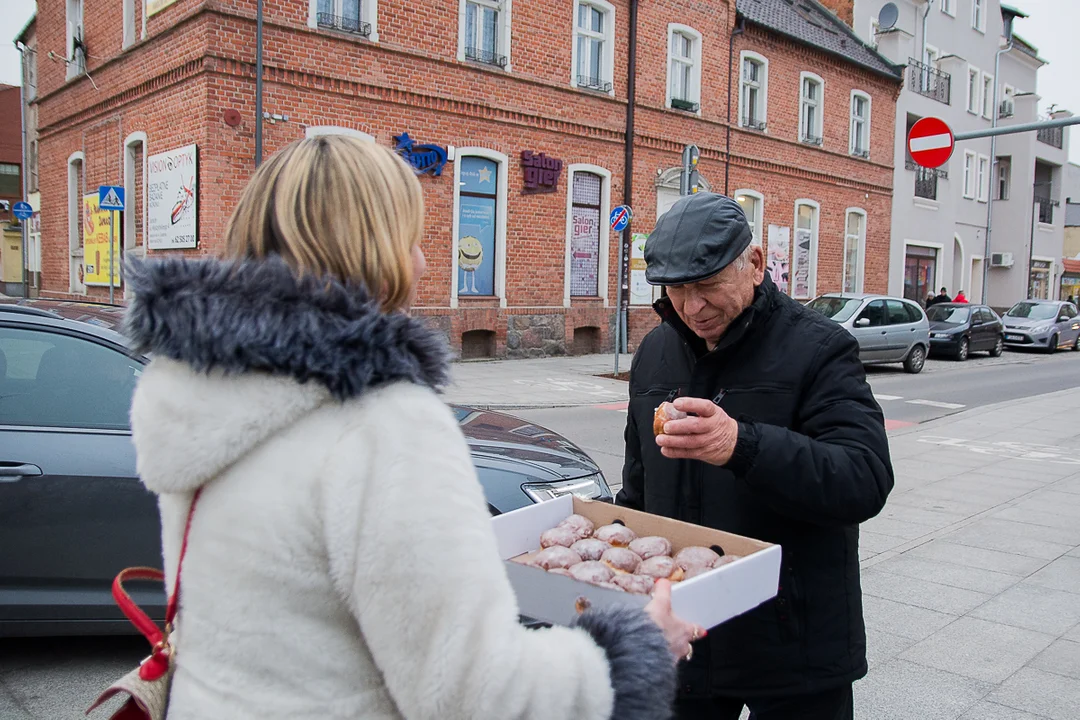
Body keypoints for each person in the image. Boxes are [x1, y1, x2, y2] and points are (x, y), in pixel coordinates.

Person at [123, 136, 699, 720]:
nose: (423, 263)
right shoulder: (382, 424)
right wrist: (632, 653)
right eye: (411, 240)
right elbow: (475, 692)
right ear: (372, 252)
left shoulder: (201, 392)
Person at [618, 192, 894, 720]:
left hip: (794, 642)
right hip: (687, 640)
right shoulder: (654, 352)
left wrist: (741, 445)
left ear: (756, 264)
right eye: (676, 288)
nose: (692, 307)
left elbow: (864, 477)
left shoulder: (820, 348)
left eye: (707, 285)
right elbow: (638, 487)